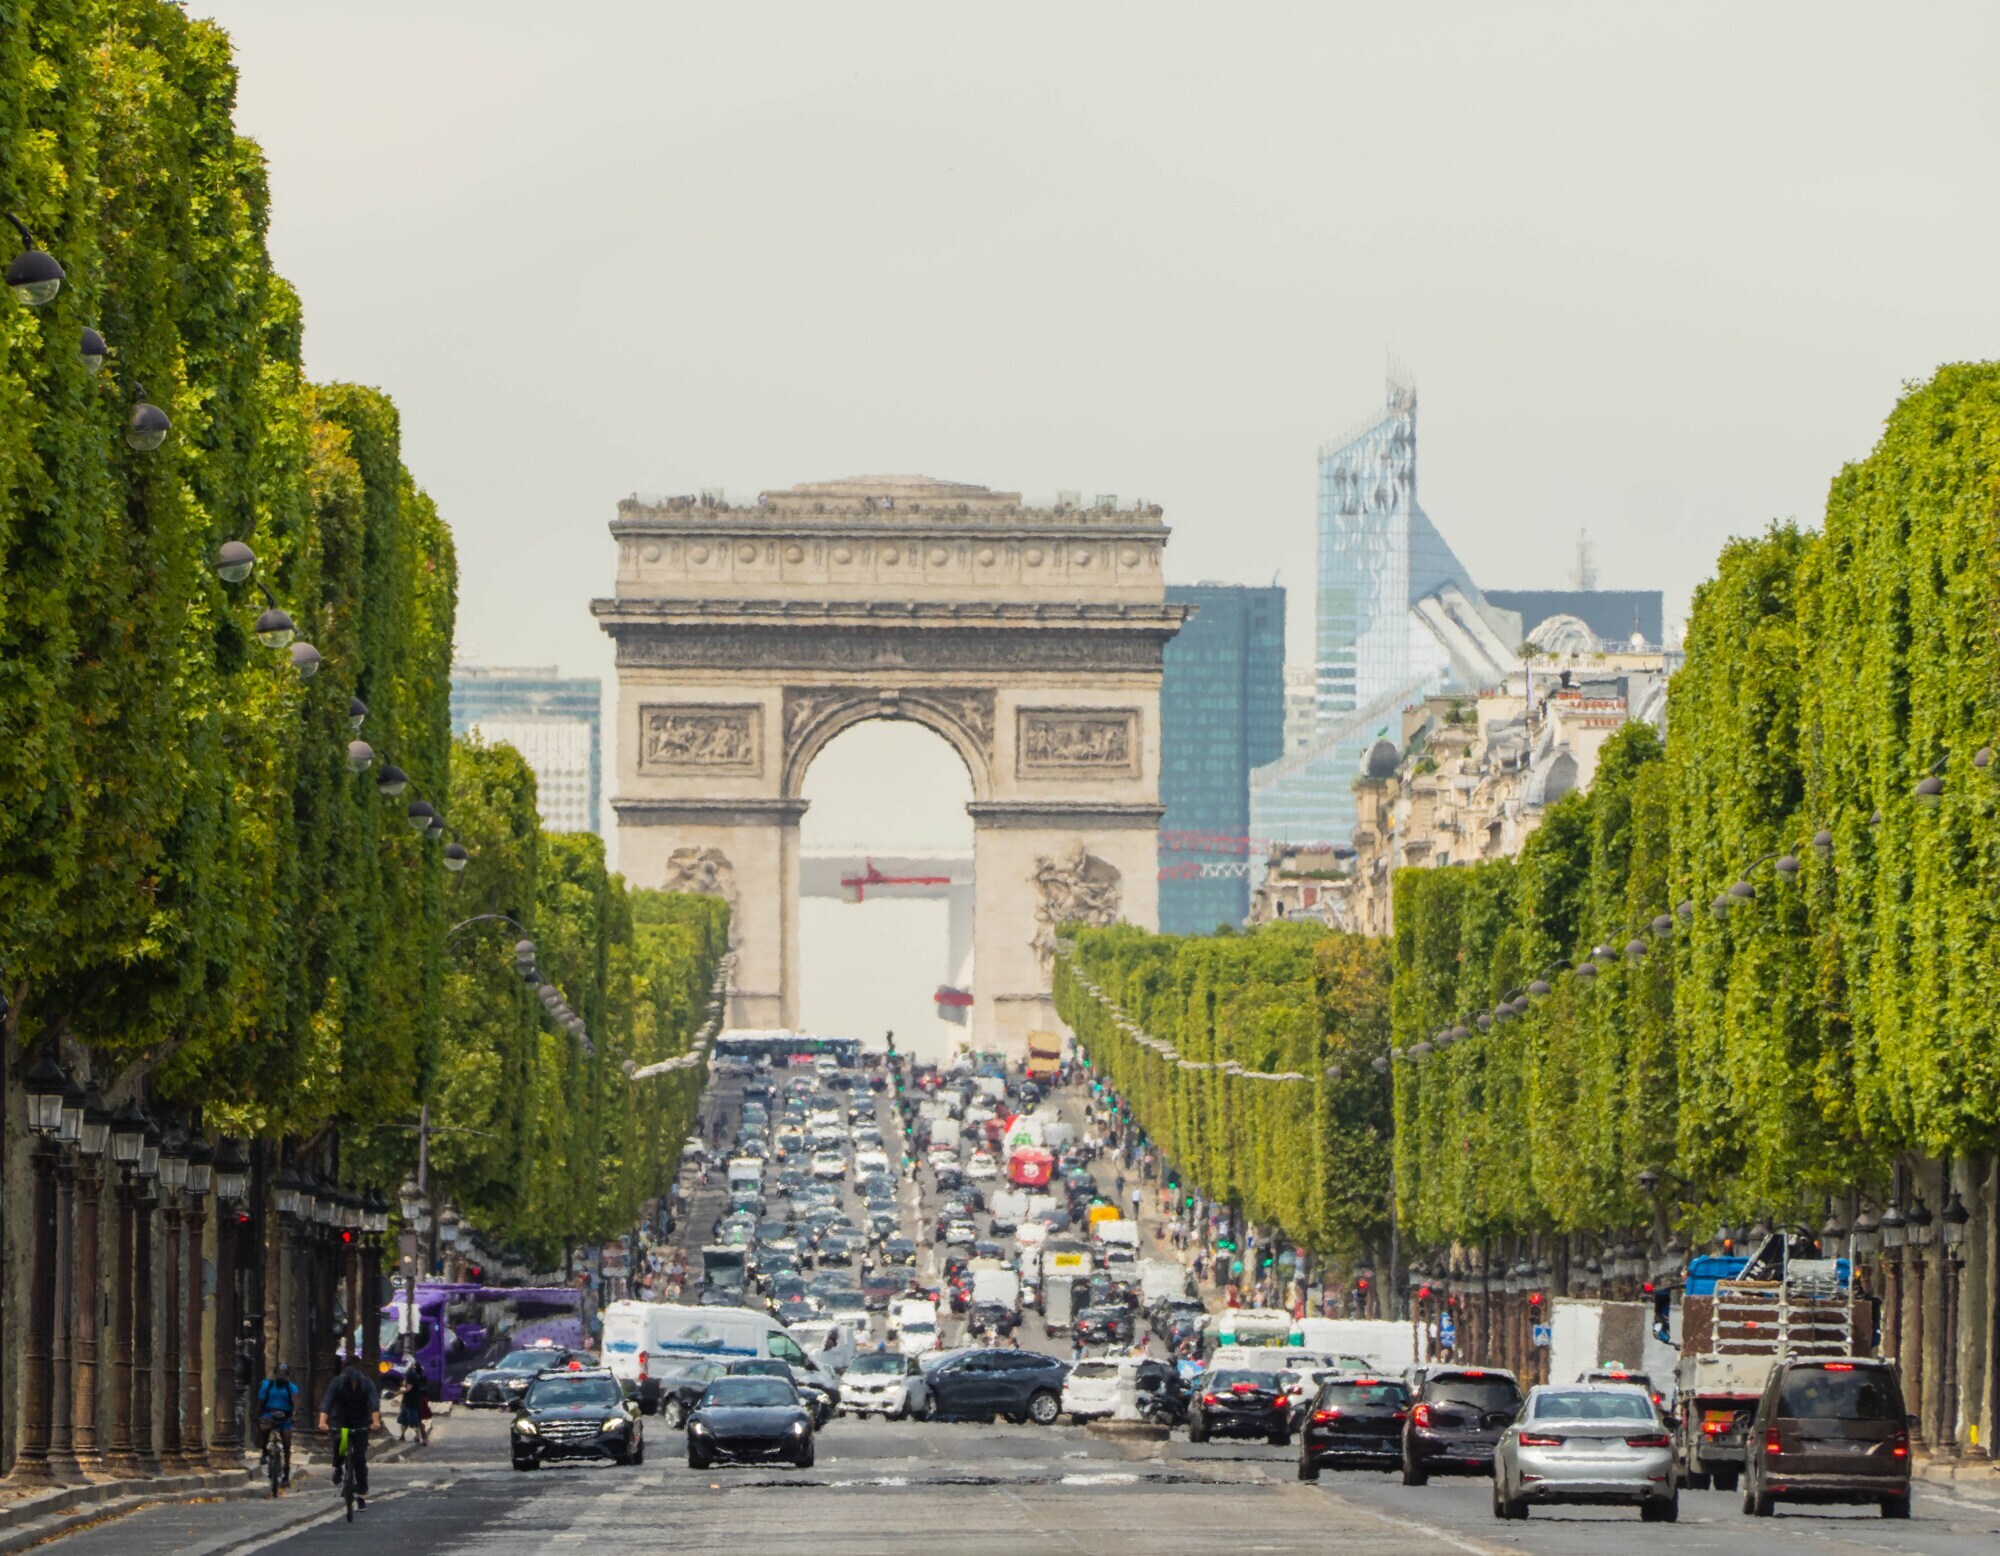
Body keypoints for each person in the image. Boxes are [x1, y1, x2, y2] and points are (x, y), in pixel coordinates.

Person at [317, 1354, 383, 1507]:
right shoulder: (338, 1383)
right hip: (343, 1421)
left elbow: (374, 1403)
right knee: (340, 1441)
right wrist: (322, 1422)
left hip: (360, 1422)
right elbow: (327, 1402)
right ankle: (338, 1467)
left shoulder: (366, 1384)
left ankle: (361, 1494)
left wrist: (375, 1422)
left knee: (360, 1458)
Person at [257, 1362, 302, 1487]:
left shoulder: (291, 1387)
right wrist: (258, 1416)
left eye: (284, 1374)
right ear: (275, 1374)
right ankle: (264, 1451)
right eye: (279, 1373)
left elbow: (295, 1401)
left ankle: (286, 1471)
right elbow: (261, 1401)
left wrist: (294, 1414)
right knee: (264, 1429)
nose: (281, 1376)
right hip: (269, 1414)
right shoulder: (267, 1385)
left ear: (287, 1375)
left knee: (287, 1442)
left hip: (285, 1416)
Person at [397, 1357, 431, 1444]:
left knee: (413, 1420)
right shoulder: (419, 1376)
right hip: (417, 1400)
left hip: (413, 1401)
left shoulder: (411, 1376)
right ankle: (416, 1437)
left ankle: (421, 1437)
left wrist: (397, 1393)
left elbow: (408, 1389)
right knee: (408, 1419)